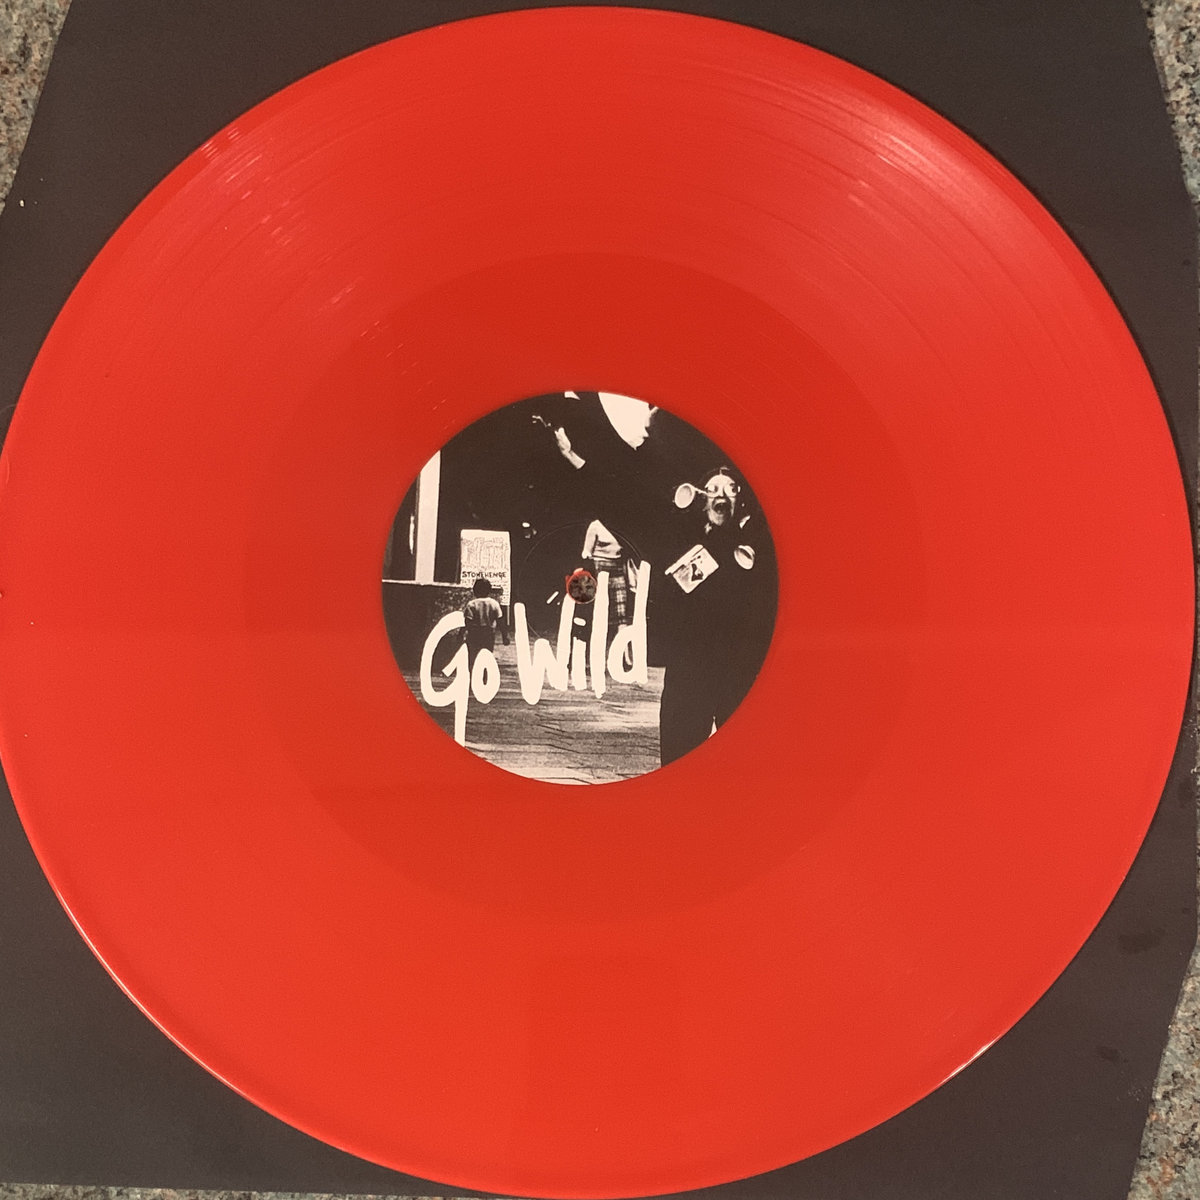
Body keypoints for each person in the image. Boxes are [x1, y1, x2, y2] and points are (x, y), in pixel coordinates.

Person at [656, 466, 776, 766]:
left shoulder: (756, 544)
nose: (722, 494)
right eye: (713, 488)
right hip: (690, 667)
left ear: (740, 501)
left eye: (731, 489)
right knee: (678, 757)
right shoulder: (682, 540)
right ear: (700, 499)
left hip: (738, 669)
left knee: (742, 764)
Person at [462, 576, 507, 666]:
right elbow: (500, 621)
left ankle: (473, 674)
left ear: (475, 590)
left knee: (473, 657)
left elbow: (468, 622)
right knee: (487, 656)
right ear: (489, 591)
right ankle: (485, 673)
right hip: (488, 634)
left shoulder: (472, 604)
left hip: (474, 634)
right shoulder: (494, 604)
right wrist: (504, 636)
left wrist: (461, 634)